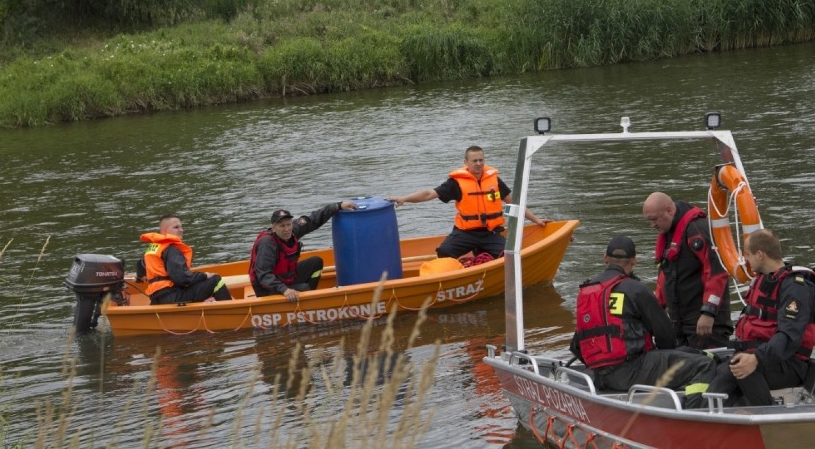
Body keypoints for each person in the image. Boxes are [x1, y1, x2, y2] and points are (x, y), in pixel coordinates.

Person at [570, 236, 716, 408]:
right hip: (631, 370)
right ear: (634, 261)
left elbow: (576, 345)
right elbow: (666, 335)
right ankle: (694, 413)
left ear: (605, 258)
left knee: (691, 352)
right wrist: (663, 358)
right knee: (705, 364)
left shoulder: (587, 292)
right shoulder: (635, 289)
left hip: (599, 375)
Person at [704, 229, 815, 407]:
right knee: (719, 369)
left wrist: (756, 358)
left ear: (760, 254)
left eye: (747, 255)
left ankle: (770, 417)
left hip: (789, 363)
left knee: (739, 370)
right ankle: (706, 415)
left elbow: (789, 336)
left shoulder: (795, 287)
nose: (745, 260)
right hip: (765, 356)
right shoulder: (765, 280)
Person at [387, 145, 548, 259]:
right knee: (444, 252)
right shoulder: (456, 183)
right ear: (466, 162)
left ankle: (483, 257)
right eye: (474, 161)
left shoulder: (494, 180)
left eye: (481, 160)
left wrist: (537, 220)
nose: (478, 164)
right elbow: (429, 194)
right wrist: (404, 199)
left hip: (490, 233)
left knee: (507, 257)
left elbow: (514, 203)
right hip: (466, 233)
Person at [642, 191, 733, 349]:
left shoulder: (697, 229)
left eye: (654, 219)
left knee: (710, 367)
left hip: (704, 322)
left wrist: (708, 313)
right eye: (649, 221)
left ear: (669, 210)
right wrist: (655, 310)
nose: (652, 225)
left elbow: (717, 273)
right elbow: (665, 275)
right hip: (680, 322)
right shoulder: (669, 233)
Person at [250, 201, 358, 303]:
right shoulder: (267, 244)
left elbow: (313, 219)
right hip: (267, 288)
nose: (286, 229)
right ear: (273, 228)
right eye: (282, 226)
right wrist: (284, 290)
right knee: (304, 288)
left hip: (284, 276)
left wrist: (338, 206)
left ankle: (310, 295)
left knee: (316, 262)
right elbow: (263, 275)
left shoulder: (292, 232)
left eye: (288, 224)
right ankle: (308, 300)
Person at [140, 214, 232, 305]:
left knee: (199, 280)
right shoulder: (171, 250)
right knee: (216, 281)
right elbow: (182, 280)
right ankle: (231, 311)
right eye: (176, 227)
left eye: (181, 227)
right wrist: (204, 276)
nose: (181, 230)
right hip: (171, 297)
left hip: (157, 297)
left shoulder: (153, 248)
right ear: (164, 231)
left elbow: (141, 266)